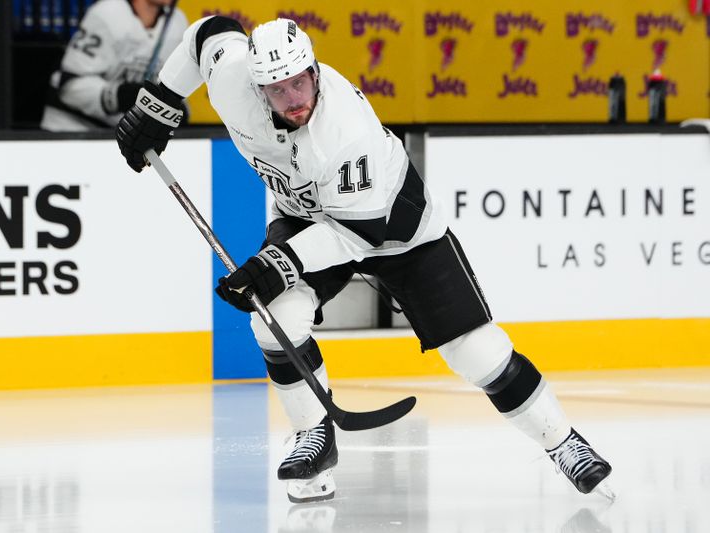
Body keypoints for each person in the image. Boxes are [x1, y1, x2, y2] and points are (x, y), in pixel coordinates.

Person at [114, 16, 614, 504]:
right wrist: (157, 105)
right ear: (256, 86)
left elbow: (360, 234)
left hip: (396, 227)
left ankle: (564, 442)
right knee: (276, 322)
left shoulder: (347, 133)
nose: (295, 98)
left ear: (313, 68)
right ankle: (315, 437)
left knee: (478, 353)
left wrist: (275, 265)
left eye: (300, 81)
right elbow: (206, 32)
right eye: (279, 89)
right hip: (308, 217)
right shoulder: (232, 78)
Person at [40, 0, 188, 131]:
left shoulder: (178, 21)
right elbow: (69, 87)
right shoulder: (108, 13)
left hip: (122, 135)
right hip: (69, 129)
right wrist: (117, 96)